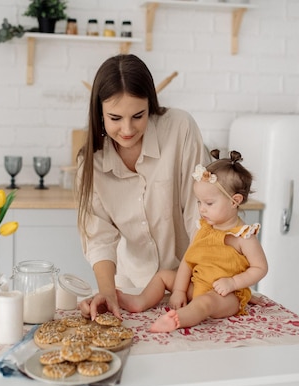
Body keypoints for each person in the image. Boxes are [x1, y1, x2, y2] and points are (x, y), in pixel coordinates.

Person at [76, 54, 210, 322]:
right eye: (115, 118)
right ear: (99, 114)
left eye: (138, 116)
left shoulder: (180, 128)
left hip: (191, 281)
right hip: (132, 287)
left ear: (151, 104)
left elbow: (200, 215)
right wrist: (108, 293)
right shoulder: (92, 161)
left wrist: (188, 284)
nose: (127, 129)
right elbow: (99, 237)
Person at [117, 149, 268, 332]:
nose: (202, 209)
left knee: (206, 302)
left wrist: (234, 283)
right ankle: (139, 301)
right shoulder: (203, 228)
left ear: (234, 201)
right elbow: (188, 261)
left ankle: (177, 319)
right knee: (164, 275)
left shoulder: (243, 236)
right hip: (197, 286)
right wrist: (180, 290)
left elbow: (260, 268)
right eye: (199, 202)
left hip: (225, 296)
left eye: (209, 203)